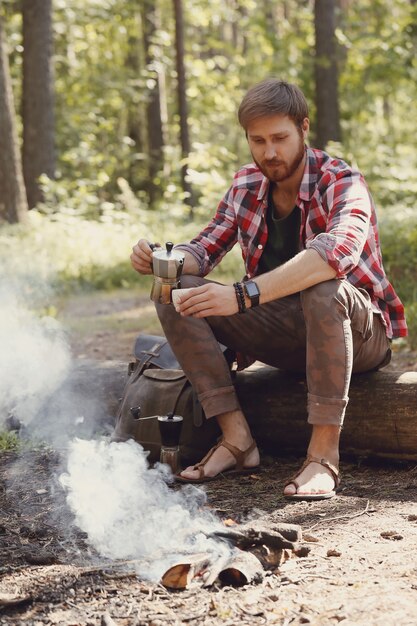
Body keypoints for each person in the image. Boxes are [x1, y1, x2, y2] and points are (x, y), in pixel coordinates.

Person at [130, 79, 407, 500]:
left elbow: (335, 255)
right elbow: (203, 250)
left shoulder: (343, 181)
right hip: (286, 335)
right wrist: (161, 258)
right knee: (175, 291)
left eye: (280, 138)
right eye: (257, 141)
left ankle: (323, 455)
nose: (269, 152)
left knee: (323, 288)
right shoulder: (246, 185)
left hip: (359, 333)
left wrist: (241, 295)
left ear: (304, 128)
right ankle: (237, 440)